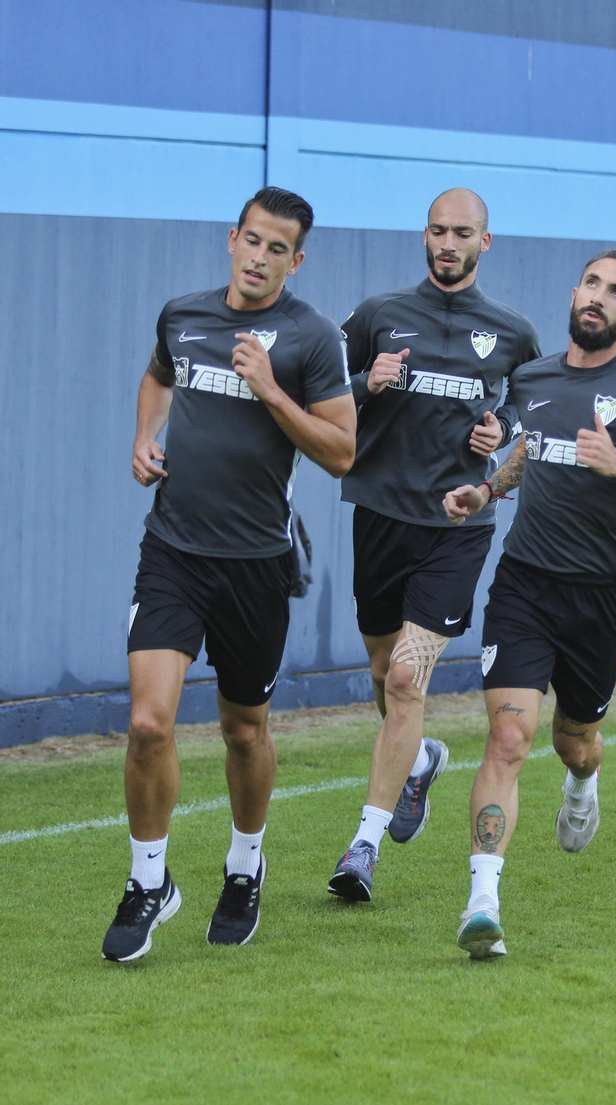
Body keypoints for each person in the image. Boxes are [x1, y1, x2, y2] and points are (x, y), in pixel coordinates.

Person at [105, 187, 355, 961]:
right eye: (252, 239)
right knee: (149, 722)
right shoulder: (183, 315)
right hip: (173, 551)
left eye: (277, 248)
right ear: (232, 238)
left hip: (256, 567)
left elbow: (342, 451)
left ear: (295, 260)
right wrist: (145, 436)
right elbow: (158, 376)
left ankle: (245, 864)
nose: (259, 257)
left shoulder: (312, 337)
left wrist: (271, 388)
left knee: (244, 730)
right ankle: (149, 880)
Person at [442, 250, 616, 958]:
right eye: (592, 284)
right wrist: (487, 490)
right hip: (524, 583)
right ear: (574, 292)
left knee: (573, 740)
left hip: (602, 592)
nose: (599, 297)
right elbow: (532, 449)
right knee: (508, 739)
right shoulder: (533, 377)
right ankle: (482, 901)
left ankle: (583, 782)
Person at [326, 188, 540, 902]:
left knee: (403, 679)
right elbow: (319, 390)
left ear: (486, 241)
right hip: (378, 516)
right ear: (425, 236)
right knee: (382, 669)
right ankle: (418, 761)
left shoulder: (512, 331)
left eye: (463, 233)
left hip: (458, 525)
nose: (449, 243)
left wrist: (501, 431)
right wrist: (366, 382)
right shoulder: (378, 314)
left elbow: (530, 407)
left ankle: (363, 845)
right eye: (439, 231)